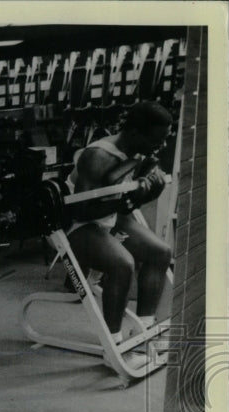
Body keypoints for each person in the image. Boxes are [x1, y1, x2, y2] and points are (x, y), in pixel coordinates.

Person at [66, 101, 173, 343]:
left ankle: (143, 329)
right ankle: (113, 343)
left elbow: (128, 201)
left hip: (109, 216)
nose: (162, 145)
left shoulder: (139, 152)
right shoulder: (97, 157)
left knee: (160, 252)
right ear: (135, 133)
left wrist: (147, 191)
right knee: (122, 264)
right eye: (158, 139)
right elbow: (80, 211)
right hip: (76, 225)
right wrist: (127, 199)